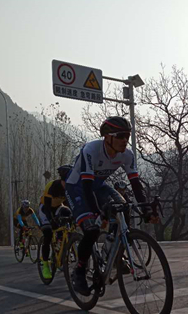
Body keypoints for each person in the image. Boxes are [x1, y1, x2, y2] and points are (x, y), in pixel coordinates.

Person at [66, 116, 159, 296]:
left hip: (99, 186)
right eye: (121, 136)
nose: (125, 140)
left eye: (128, 136)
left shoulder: (127, 155)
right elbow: (86, 186)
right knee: (92, 229)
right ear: (107, 137)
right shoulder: (91, 150)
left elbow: (136, 184)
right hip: (77, 188)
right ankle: (79, 271)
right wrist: (97, 212)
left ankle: (113, 254)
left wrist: (146, 209)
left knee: (123, 209)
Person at [38, 165, 72, 279]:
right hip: (45, 209)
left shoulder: (71, 187)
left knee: (68, 215)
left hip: (58, 207)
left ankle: (63, 243)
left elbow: (72, 205)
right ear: (61, 180)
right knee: (48, 233)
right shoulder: (52, 186)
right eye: (66, 182)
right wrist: (52, 220)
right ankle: (45, 265)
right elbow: (47, 208)